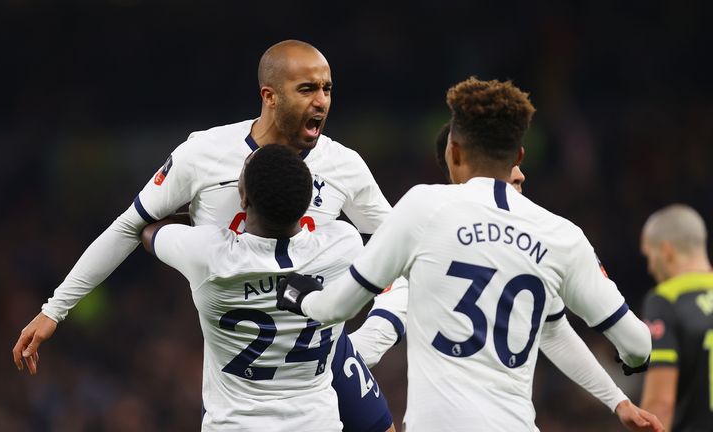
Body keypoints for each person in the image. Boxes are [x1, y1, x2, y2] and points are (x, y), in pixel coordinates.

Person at [13, 39, 394, 432]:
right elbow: (128, 224)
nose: (322, 101)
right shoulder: (204, 154)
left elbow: (405, 247)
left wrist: (378, 332)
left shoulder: (343, 165)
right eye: (307, 89)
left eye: (327, 89)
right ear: (270, 96)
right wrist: (56, 307)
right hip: (247, 358)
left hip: (318, 350)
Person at [277, 77, 661, 431]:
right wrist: (628, 377)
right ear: (519, 157)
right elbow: (634, 342)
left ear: (454, 152)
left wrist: (297, 295)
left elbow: (336, 307)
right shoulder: (562, 236)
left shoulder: (422, 207)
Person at [139, 144, 368, 430]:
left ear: (243, 198)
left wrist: (202, 220)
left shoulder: (209, 255)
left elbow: (148, 232)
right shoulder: (344, 246)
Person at [639, 204, 713, 431]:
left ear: (666, 251)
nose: (650, 268)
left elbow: (660, 404)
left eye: (649, 256)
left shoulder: (665, 300)